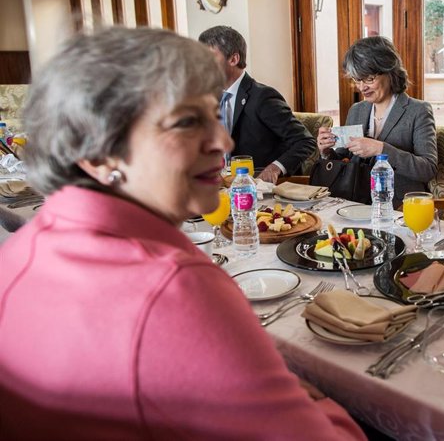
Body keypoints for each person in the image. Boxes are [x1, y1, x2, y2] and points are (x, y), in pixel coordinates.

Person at [0, 27, 365, 440]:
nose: (222, 141)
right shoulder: (176, 289)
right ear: (98, 152)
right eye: (188, 122)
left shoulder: (19, 248)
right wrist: (315, 397)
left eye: (213, 114)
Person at [316, 36, 437, 208]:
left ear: (389, 71)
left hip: (398, 206)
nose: (362, 87)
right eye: (357, 80)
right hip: (354, 202)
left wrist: (381, 149)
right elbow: (344, 159)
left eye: (369, 79)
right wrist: (327, 151)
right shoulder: (357, 110)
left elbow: (428, 170)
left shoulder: (418, 111)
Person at [198, 25, 316, 184]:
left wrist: (274, 168)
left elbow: (305, 141)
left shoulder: (263, 97)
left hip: (260, 188)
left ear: (233, 59)